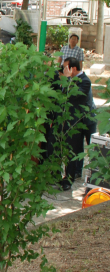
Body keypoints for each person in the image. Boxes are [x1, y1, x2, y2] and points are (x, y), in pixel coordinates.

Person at [60, 57, 92, 191]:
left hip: (83, 121)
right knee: (72, 149)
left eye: (66, 68)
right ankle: (69, 175)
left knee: (80, 149)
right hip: (70, 121)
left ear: (72, 68)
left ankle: (73, 177)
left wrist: (67, 80)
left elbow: (72, 95)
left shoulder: (85, 81)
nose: (64, 71)